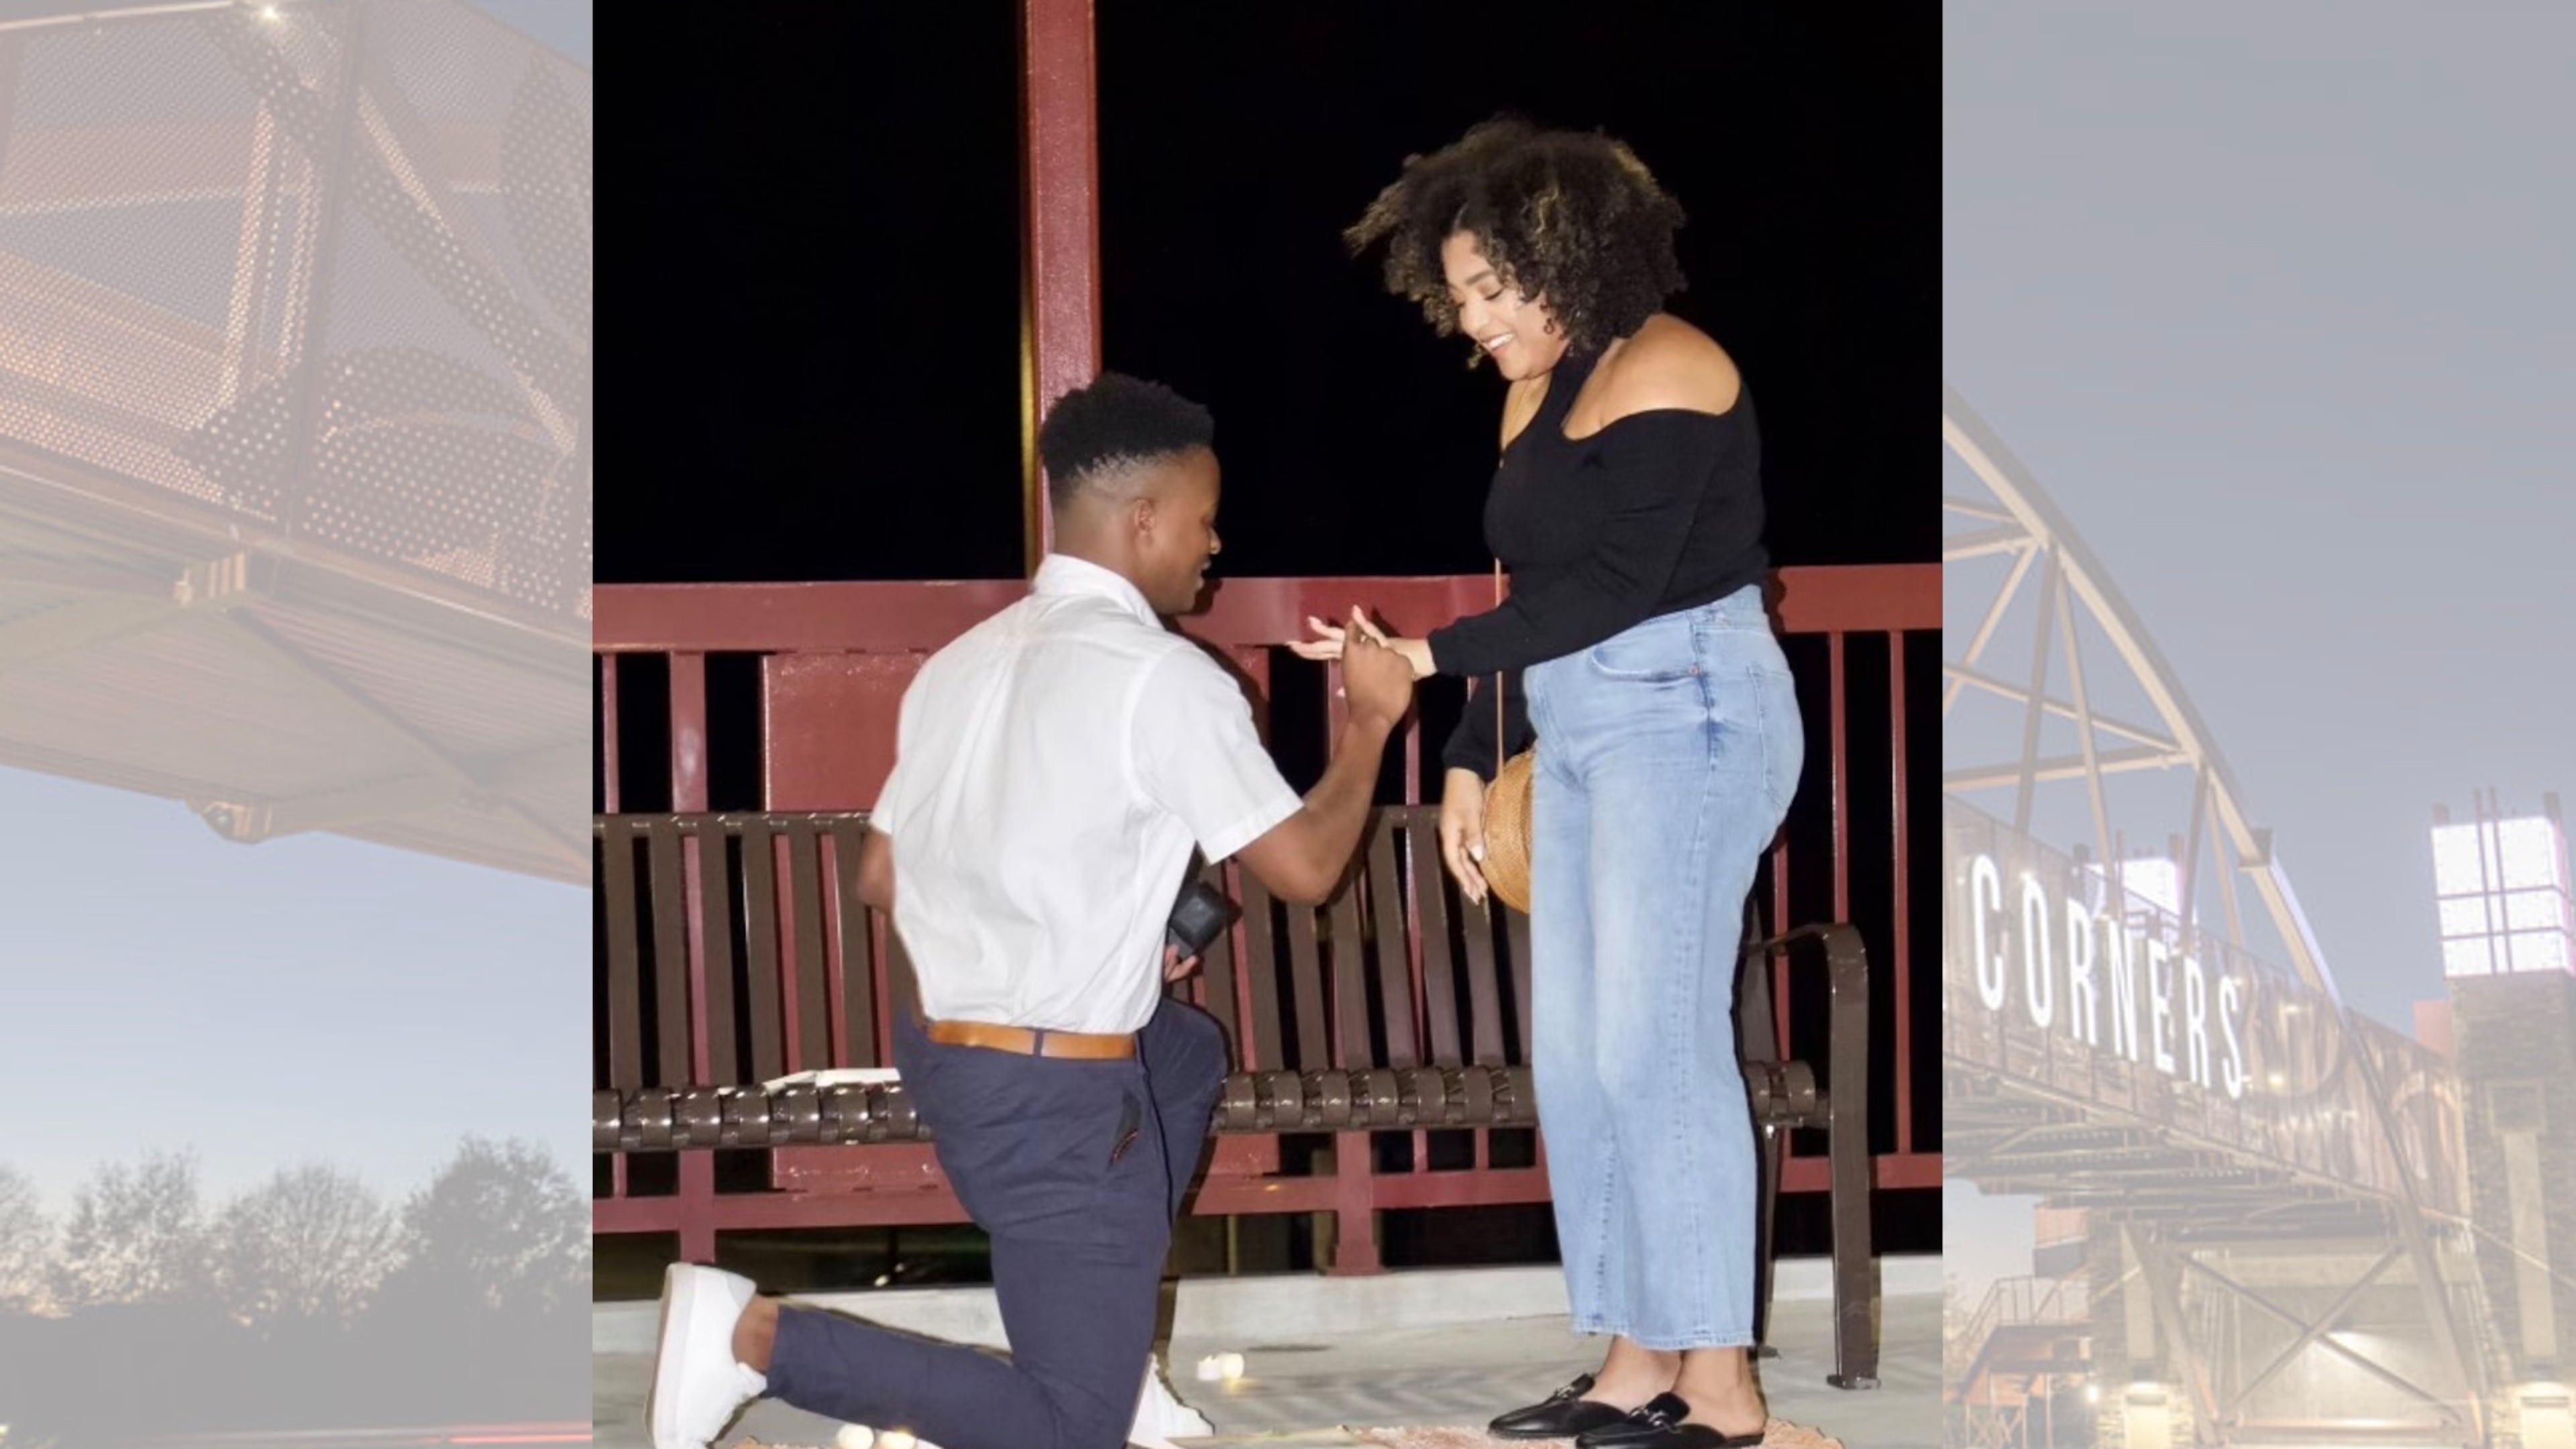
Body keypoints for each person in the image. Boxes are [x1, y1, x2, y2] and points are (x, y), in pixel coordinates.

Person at [645, 373, 1418, 1449]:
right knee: (1068, 1429)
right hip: (1053, 1104)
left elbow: (881, 879)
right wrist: (1372, 722)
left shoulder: (962, 666)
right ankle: (755, 1339)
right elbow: (1308, 869)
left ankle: (1114, 1363)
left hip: (946, 1053)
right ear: (1144, 520)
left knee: (1185, 1053)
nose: (1215, 542)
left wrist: (1106, 938)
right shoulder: (1165, 680)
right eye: (1203, 518)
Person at [1295, 119, 1803, 1449]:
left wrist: (1422, 654)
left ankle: (1727, 1385)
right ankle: (1638, 1361)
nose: (1473, 323)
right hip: (1578, 722)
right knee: (1578, 1058)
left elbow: (1620, 589)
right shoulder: (1533, 391)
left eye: (1492, 291)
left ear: (1571, 261)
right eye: (1457, 297)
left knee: (1656, 1045)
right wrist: (1469, 756)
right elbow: (1538, 606)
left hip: (1686, 707)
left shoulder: (1675, 369)